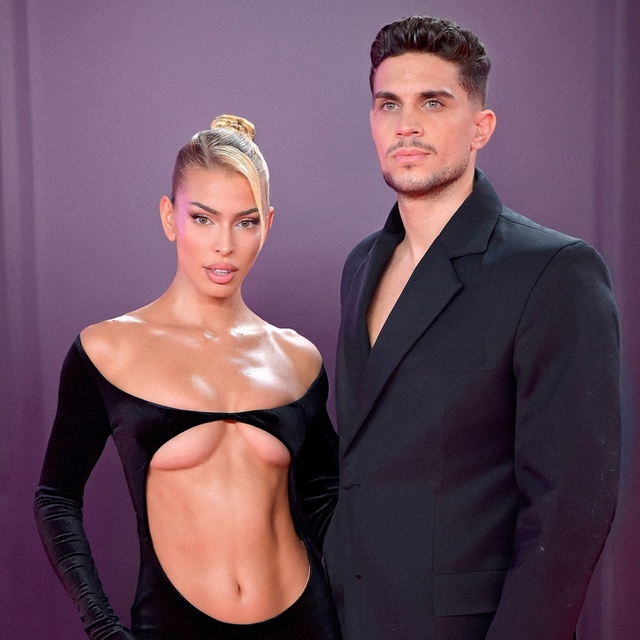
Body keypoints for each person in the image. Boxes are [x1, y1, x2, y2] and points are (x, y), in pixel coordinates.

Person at [322, 15, 620, 640]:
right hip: (352, 620)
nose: (406, 124)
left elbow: (570, 507)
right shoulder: (360, 265)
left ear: (481, 126)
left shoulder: (554, 271)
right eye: (388, 104)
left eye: (433, 102)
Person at [34, 115, 342, 640]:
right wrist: (103, 628)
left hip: (307, 623)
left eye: (245, 222)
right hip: (173, 626)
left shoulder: (298, 359)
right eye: (203, 218)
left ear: (268, 224)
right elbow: (56, 497)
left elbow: (324, 502)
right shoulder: (107, 350)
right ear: (169, 217)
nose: (224, 244)